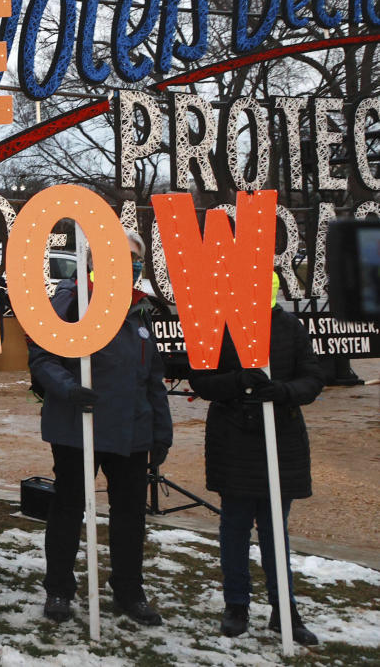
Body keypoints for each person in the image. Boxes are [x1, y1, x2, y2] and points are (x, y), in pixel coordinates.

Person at [27, 231, 171, 626]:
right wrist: (69, 390)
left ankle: (129, 590)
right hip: (79, 426)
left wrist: (161, 430)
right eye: (122, 256)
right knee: (69, 508)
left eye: (135, 259)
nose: (130, 264)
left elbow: (152, 377)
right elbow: (42, 356)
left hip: (131, 430)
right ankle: (59, 588)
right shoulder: (72, 299)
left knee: (129, 514)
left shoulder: (140, 309)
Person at [188, 273, 322, 645]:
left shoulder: (290, 327)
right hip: (234, 440)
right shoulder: (217, 324)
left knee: (275, 530)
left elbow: (313, 379)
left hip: (280, 438)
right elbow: (201, 379)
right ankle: (236, 606)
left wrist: (282, 392)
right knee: (234, 527)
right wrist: (240, 381)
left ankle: (285, 611)